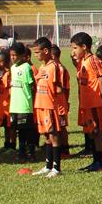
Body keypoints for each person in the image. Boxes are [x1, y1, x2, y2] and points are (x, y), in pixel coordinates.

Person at [70, 32, 102, 172]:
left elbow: (101, 79)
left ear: (84, 47)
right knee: (91, 132)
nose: (73, 51)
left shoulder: (92, 60)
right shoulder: (82, 62)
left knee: (96, 131)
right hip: (86, 104)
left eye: (75, 48)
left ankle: (100, 163)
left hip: (94, 103)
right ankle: (95, 161)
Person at [30, 37, 66, 178]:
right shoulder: (43, 67)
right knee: (46, 136)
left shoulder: (53, 67)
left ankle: (56, 168)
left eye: (37, 52)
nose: (36, 55)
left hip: (50, 106)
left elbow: (58, 88)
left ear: (46, 51)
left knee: (54, 135)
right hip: (40, 105)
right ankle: (48, 166)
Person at [8, 43, 37, 161]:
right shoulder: (13, 68)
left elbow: (33, 86)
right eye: (11, 55)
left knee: (27, 130)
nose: (12, 58)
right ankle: (21, 152)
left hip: (25, 106)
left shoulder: (26, 67)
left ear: (22, 55)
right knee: (19, 130)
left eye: (15, 55)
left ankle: (31, 153)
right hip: (14, 106)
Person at [0, 52, 14, 151]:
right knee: (6, 127)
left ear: (3, 62)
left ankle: (12, 145)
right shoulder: (3, 74)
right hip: (3, 107)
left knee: (10, 127)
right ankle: (7, 144)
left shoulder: (10, 74)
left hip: (9, 106)